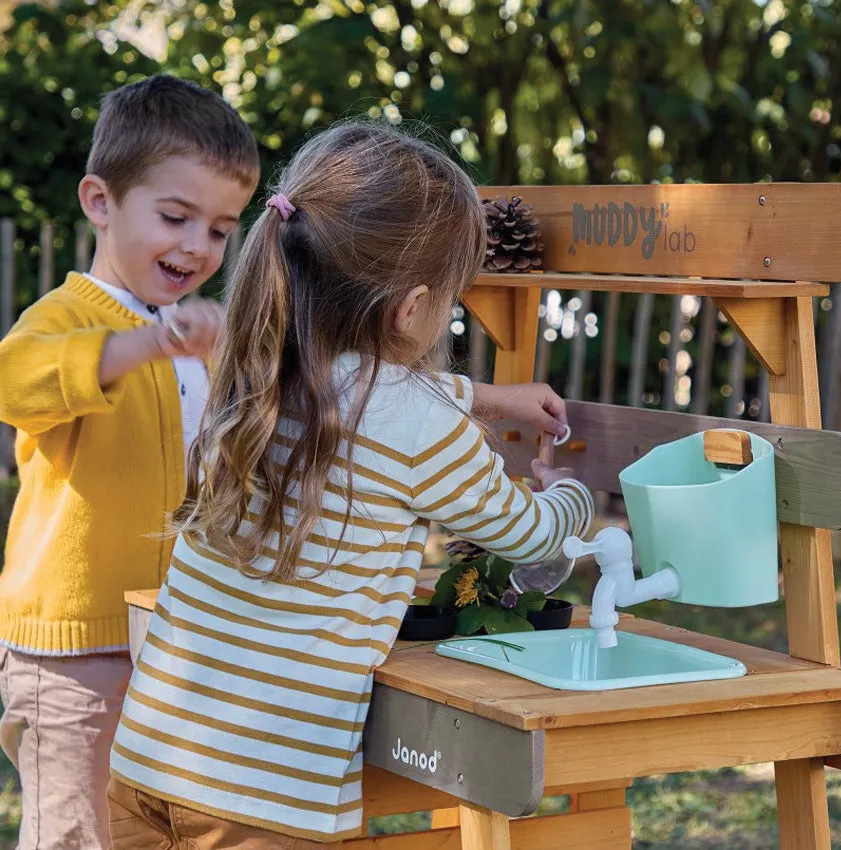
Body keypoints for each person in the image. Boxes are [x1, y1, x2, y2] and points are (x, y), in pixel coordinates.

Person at [107, 122, 593, 849]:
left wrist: (492, 397)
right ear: (411, 308)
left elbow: (373, 396)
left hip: (148, 764)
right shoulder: (420, 423)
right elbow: (529, 533)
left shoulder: (258, 372)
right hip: (262, 800)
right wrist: (573, 490)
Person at [0, 74, 260, 849]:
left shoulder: (193, 340)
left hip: (168, 638)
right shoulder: (71, 318)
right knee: (76, 835)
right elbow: (14, 382)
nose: (197, 247)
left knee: (145, 830)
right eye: (175, 217)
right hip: (71, 652)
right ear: (100, 202)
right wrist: (145, 343)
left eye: (219, 229)